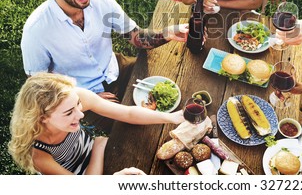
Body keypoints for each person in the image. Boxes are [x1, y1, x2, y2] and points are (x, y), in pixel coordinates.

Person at [21, 0, 188, 131]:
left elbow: (135, 37)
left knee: (173, 88)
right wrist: (82, 98)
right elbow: (38, 86)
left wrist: (167, 33)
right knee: (136, 133)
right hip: (81, 96)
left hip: (117, 67)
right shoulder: (36, 30)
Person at [8, 73, 184, 175]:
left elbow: (128, 112)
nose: (80, 113)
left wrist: (173, 118)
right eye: (69, 113)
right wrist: (98, 148)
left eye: (77, 104)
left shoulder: (71, 97)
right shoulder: (38, 154)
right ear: (41, 118)